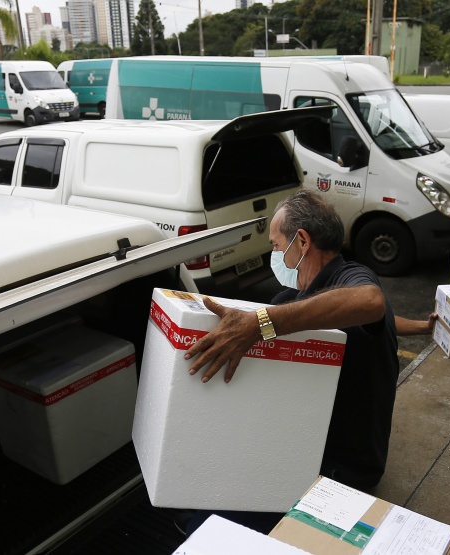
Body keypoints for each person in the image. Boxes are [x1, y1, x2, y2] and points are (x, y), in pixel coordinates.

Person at [181, 190, 429, 535]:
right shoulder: (295, 299)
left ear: (302, 241)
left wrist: (258, 324)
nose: (274, 254)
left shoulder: (352, 277)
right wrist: (421, 327)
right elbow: (378, 314)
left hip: (338, 473)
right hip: (299, 445)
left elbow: (371, 303)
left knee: (203, 528)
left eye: (275, 244)